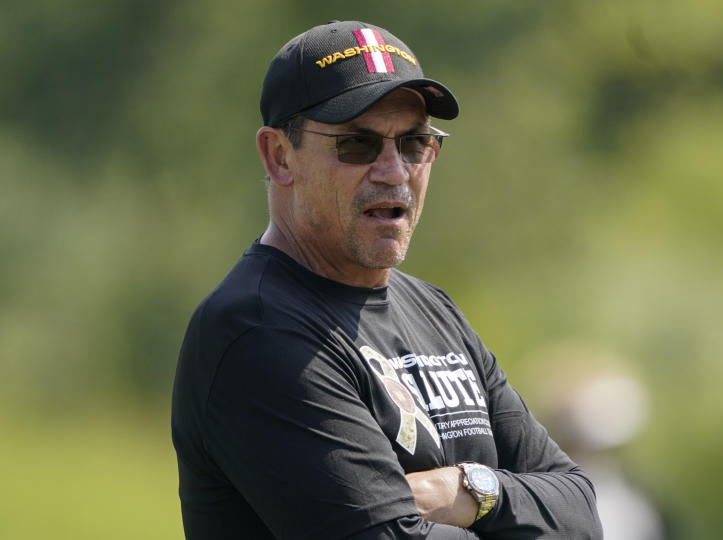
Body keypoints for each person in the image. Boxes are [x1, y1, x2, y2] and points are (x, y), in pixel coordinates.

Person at [171, 20, 602, 540]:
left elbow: (579, 510)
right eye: (357, 144)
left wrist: (464, 489)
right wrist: (513, 510)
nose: (394, 171)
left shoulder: (433, 310)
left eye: (415, 142)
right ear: (280, 156)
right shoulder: (257, 331)